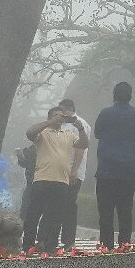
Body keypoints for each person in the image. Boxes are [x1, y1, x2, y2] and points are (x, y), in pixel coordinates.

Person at [22, 106, 88, 252]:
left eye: (61, 116)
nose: (60, 119)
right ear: (50, 117)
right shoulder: (42, 133)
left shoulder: (69, 134)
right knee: (34, 213)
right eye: (56, 116)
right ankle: (28, 244)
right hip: (42, 179)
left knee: (55, 215)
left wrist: (81, 129)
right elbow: (29, 132)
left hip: (61, 181)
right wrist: (49, 122)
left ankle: (50, 245)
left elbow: (83, 144)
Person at [94, 81, 135, 249]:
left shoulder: (105, 114)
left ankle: (107, 246)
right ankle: (124, 245)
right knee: (125, 211)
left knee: (106, 212)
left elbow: (97, 134)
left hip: (106, 171)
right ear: (130, 96)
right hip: (128, 172)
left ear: (114, 96)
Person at [56, 98, 91, 249]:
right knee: (58, 204)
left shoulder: (80, 124)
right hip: (60, 170)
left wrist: (74, 169)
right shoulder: (62, 124)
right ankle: (55, 238)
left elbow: (80, 148)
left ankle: (69, 240)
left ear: (70, 109)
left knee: (69, 204)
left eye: (62, 111)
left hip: (73, 171)